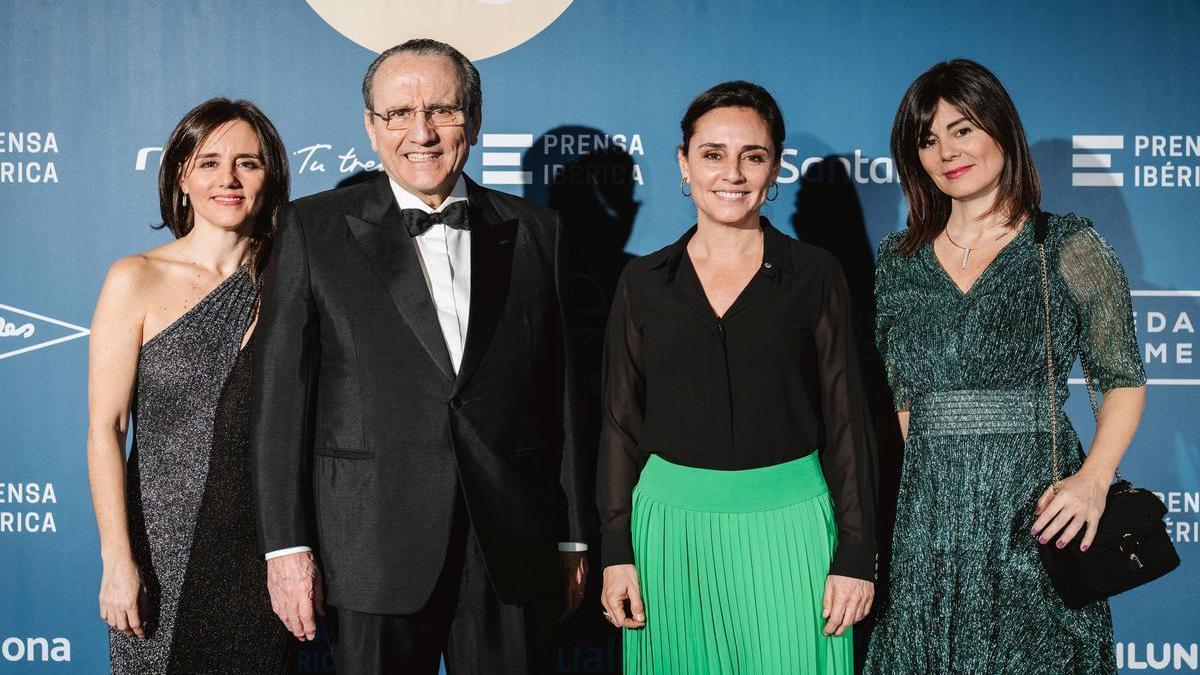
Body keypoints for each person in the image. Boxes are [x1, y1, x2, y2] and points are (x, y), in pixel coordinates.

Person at [250, 38, 590, 675]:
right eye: (398, 115)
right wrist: (286, 547)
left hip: (510, 547)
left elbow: (562, 396)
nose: (422, 132)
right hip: (369, 545)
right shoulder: (311, 229)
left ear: (476, 119)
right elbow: (279, 406)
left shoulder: (538, 232)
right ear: (371, 129)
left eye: (442, 110)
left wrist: (571, 534)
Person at [864, 59, 1146, 674]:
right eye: (928, 139)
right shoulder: (898, 261)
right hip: (928, 516)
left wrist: (1094, 479)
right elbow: (902, 400)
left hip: (1037, 505)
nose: (946, 152)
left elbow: (1120, 377)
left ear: (1000, 129)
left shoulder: (1068, 244)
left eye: (961, 130)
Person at [598, 81, 877, 674]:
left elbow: (847, 417)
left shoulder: (816, 274)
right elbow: (621, 424)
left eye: (753, 156)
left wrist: (855, 551)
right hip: (668, 536)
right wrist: (617, 549)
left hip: (795, 527)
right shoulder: (643, 281)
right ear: (684, 162)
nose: (733, 173)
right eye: (713, 153)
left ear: (775, 168)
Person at [86, 97, 293, 674]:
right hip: (160, 549)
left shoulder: (293, 279)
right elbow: (107, 428)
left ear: (269, 176)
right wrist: (117, 560)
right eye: (209, 162)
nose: (228, 179)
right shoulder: (136, 278)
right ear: (181, 176)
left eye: (248, 163)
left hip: (265, 551)